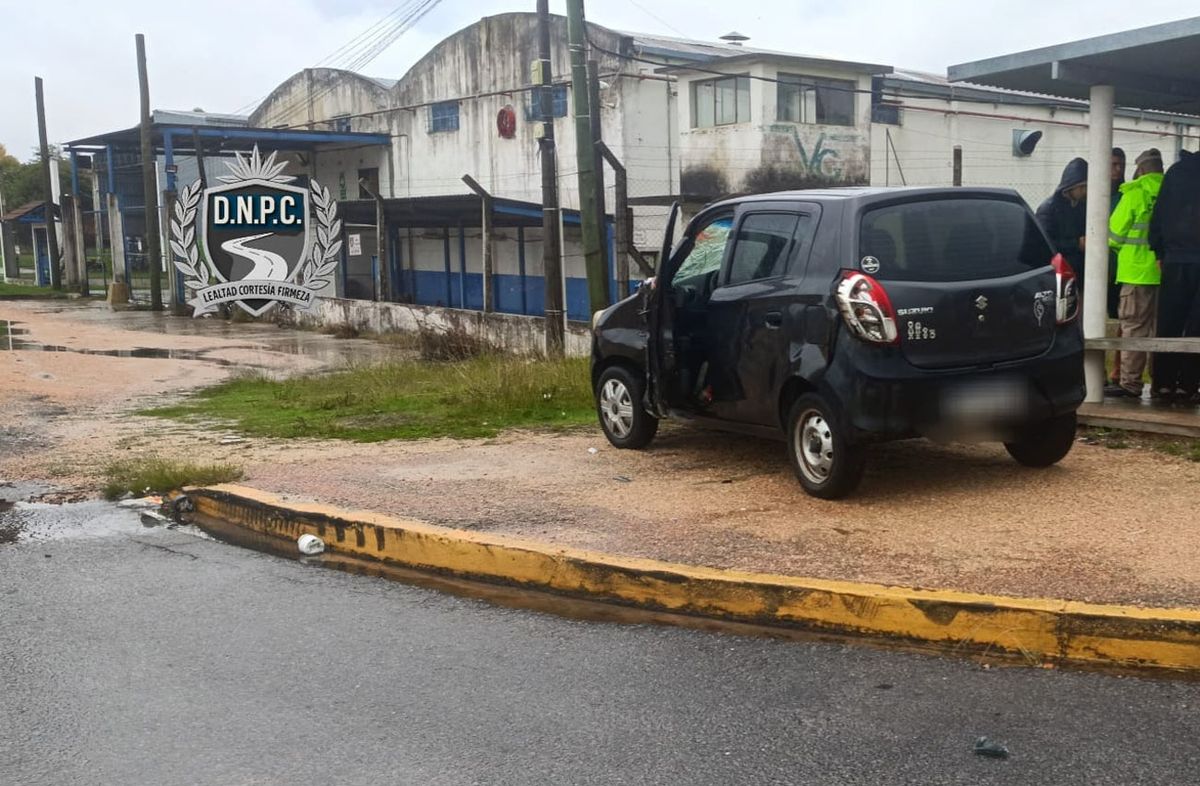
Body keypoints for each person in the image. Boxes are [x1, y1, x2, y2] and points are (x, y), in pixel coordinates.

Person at [1105, 149, 1163, 398]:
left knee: (1133, 329)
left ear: (1140, 169)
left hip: (1136, 273)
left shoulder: (1134, 193)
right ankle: (1162, 383)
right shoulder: (1173, 192)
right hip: (1166, 273)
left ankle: (1130, 383)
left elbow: (1113, 235)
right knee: (1162, 331)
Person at [1149, 149, 1200, 402]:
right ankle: (1188, 384)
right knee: (1197, 326)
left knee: (1169, 321)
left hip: (1174, 259)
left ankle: (1162, 383)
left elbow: (1159, 213)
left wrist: (1159, 249)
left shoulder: (1176, 172)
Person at [1036, 158, 1088, 283]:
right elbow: (1043, 245)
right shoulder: (1048, 209)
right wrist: (1077, 244)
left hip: (1078, 274)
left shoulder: (1082, 206)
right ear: (1073, 186)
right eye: (1083, 187)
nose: (1086, 191)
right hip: (1057, 277)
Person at [1107, 148, 1127, 385]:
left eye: (1120, 165)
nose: (1117, 170)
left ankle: (1119, 370)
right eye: (1112, 164)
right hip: (1096, 270)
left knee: (1124, 321)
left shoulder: (1126, 194)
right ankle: (1095, 373)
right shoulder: (1092, 194)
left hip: (1122, 268)